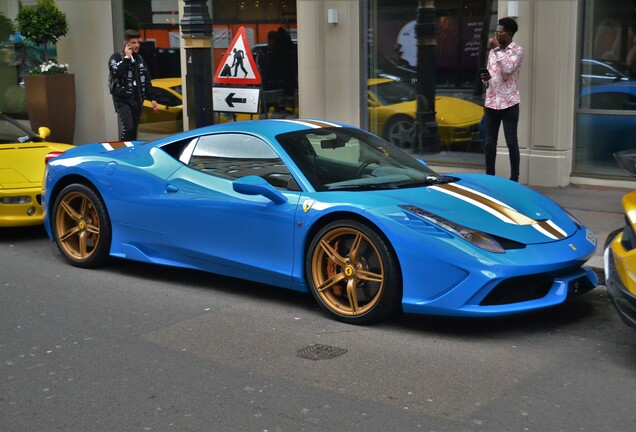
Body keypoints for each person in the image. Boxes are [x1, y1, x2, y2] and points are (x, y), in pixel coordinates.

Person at [480, 17, 524, 182]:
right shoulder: (492, 52)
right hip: (492, 102)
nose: (496, 35)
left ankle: (514, 179)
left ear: (509, 34)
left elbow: (506, 71)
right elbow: (493, 76)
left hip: (509, 103)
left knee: (511, 141)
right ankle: (489, 177)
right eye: (496, 32)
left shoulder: (517, 51)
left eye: (500, 32)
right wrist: (485, 78)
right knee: (490, 142)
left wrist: (498, 50)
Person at [108, 29, 157, 141]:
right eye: (133, 43)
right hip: (122, 99)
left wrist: (152, 98)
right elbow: (117, 74)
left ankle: (131, 153)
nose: (137, 45)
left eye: (138, 42)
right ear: (127, 44)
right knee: (128, 128)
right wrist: (126, 58)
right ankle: (122, 152)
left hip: (137, 99)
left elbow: (146, 79)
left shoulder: (139, 59)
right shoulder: (116, 58)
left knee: (134, 130)